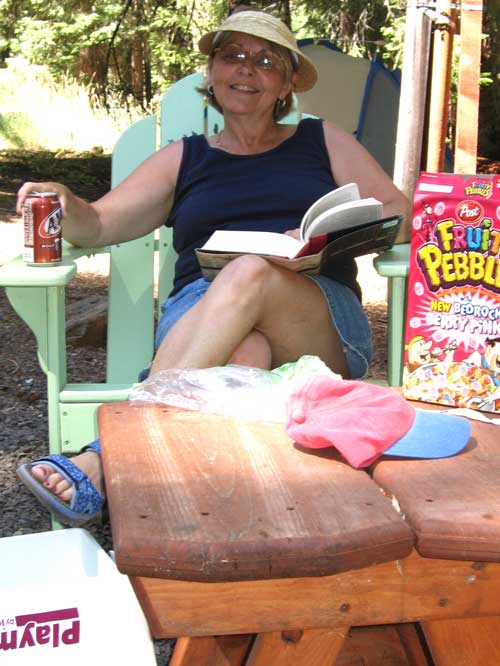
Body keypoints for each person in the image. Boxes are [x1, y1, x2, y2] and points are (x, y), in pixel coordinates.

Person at [16, 8, 410, 526]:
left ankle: (107, 452)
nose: (247, 69)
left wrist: (322, 237)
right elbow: (101, 224)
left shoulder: (323, 140)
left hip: (316, 317)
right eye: (233, 56)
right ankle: (223, 532)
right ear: (213, 72)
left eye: (266, 61)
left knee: (248, 271)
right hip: (202, 315)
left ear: (287, 82)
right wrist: (67, 203)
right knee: (245, 353)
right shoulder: (185, 158)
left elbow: (400, 214)